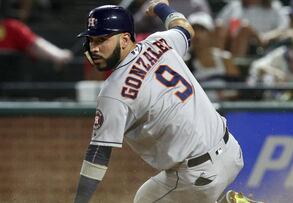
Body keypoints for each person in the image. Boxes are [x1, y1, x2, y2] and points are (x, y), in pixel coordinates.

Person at [73, 1, 255, 203]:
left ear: (125, 39)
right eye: (91, 41)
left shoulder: (113, 92)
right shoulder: (160, 41)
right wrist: (161, 7)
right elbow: (185, 28)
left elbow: (98, 153)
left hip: (196, 174)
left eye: (102, 40)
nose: (95, 48)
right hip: (231, 151)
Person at [186, 11, 241, 101]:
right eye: (193, 30)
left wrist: (225, 96)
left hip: (224, 111)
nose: (197, 34)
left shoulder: (225, 59)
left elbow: (238, 90)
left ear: (211, 34)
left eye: (201, 30)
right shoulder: (186, 62)